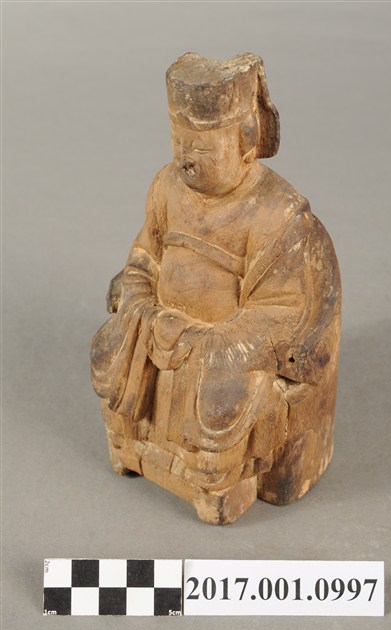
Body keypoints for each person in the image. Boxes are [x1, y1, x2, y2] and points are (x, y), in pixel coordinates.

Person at [90, 53, 341, 524]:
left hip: (225, 343)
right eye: (178, 141)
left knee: (221, 397)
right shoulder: (166, 187)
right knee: (109, 348)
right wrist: (139, 300)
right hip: (157, 323)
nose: (185, 158)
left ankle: (219, 484)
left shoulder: (278, 215)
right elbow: (145, 256)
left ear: (246, 140)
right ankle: (130, 446)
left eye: (203, 148)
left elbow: (279, 311)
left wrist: (208, 340)